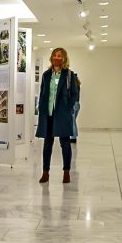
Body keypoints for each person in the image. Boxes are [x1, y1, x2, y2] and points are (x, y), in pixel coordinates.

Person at [36, 47, 79, 184]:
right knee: (47, 144)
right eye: (54, 55)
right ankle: (45, 172)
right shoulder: (46, 75)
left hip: (62, 113)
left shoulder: (69, 75)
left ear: (64, 58)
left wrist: (69, 108)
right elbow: (43, 93)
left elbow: (74, 94)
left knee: (65, 144)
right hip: (48, 113)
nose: (56, 57)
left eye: (59, 55)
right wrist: (40, 108)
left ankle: (66, 172)